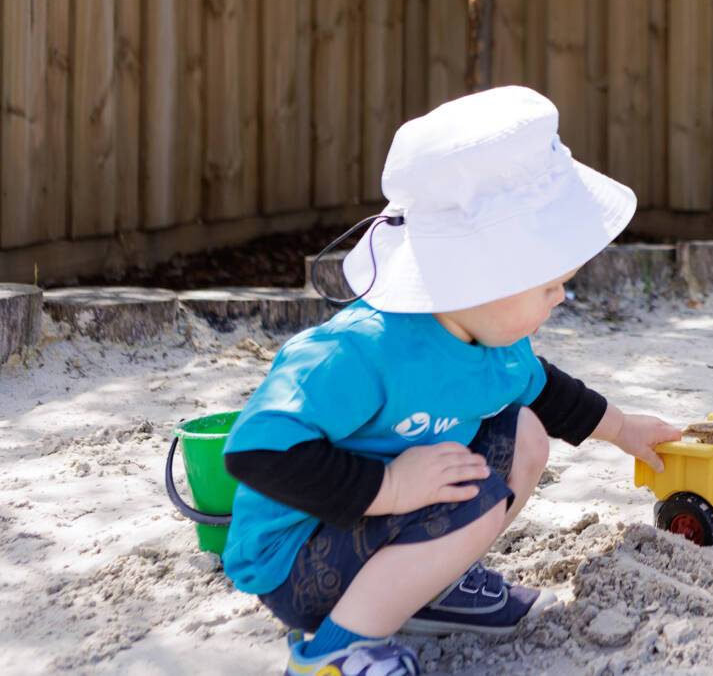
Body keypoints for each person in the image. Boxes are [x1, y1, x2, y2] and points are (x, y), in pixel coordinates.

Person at [221, 87, 681, 675]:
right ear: (479, 276)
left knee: (526, 434)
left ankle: (427, 589)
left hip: (379, 529)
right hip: (298, 560)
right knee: (477, 496)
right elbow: (256, 451)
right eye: (548, 286)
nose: (562, 296)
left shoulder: (494, 345)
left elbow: (546, 390)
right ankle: (333, 652)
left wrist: (624, 429)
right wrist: (389, 486)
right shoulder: (363, 350)